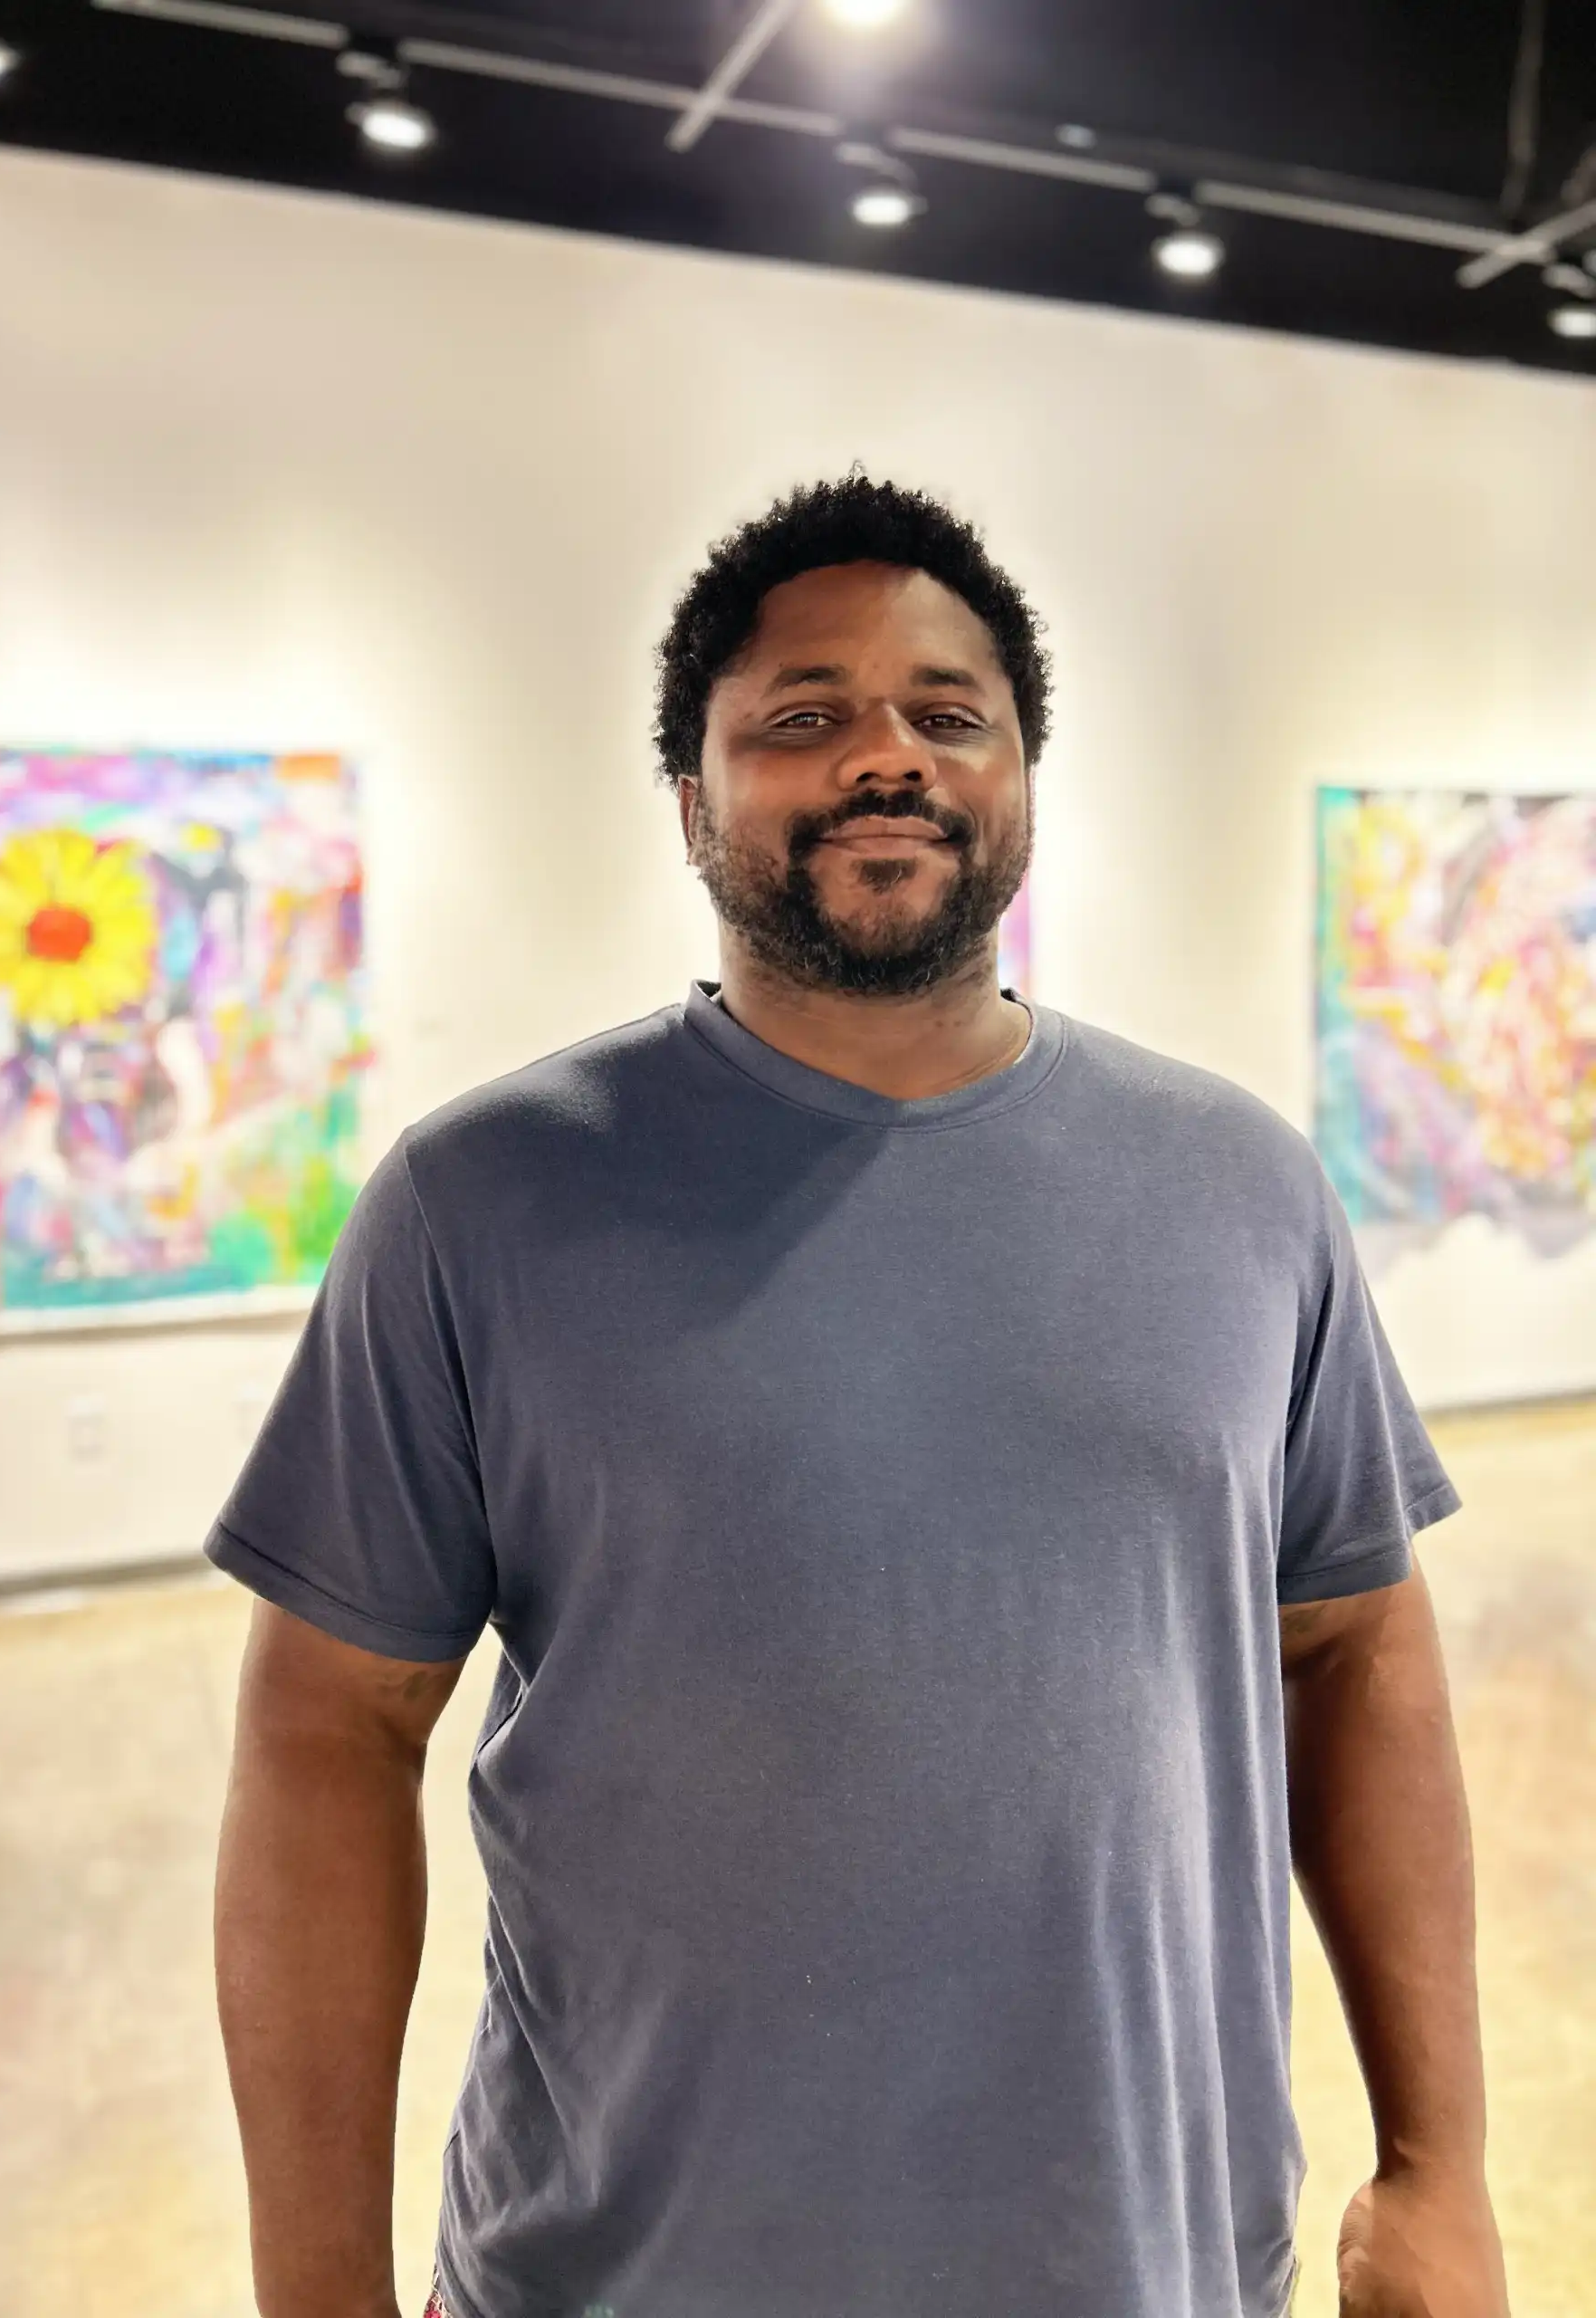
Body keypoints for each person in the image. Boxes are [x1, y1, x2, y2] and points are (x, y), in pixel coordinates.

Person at [210, 475, 1511, 2318]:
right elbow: (327, 1731)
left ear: (1024, 780)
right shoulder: (483, 1202)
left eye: (947, 713)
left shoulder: (1240, 1189)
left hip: (1147, 2266)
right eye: (803, 715)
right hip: (625, 2275)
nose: (886, 753)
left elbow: (1357, 1649)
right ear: (692, 799)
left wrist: (1440, 2166)